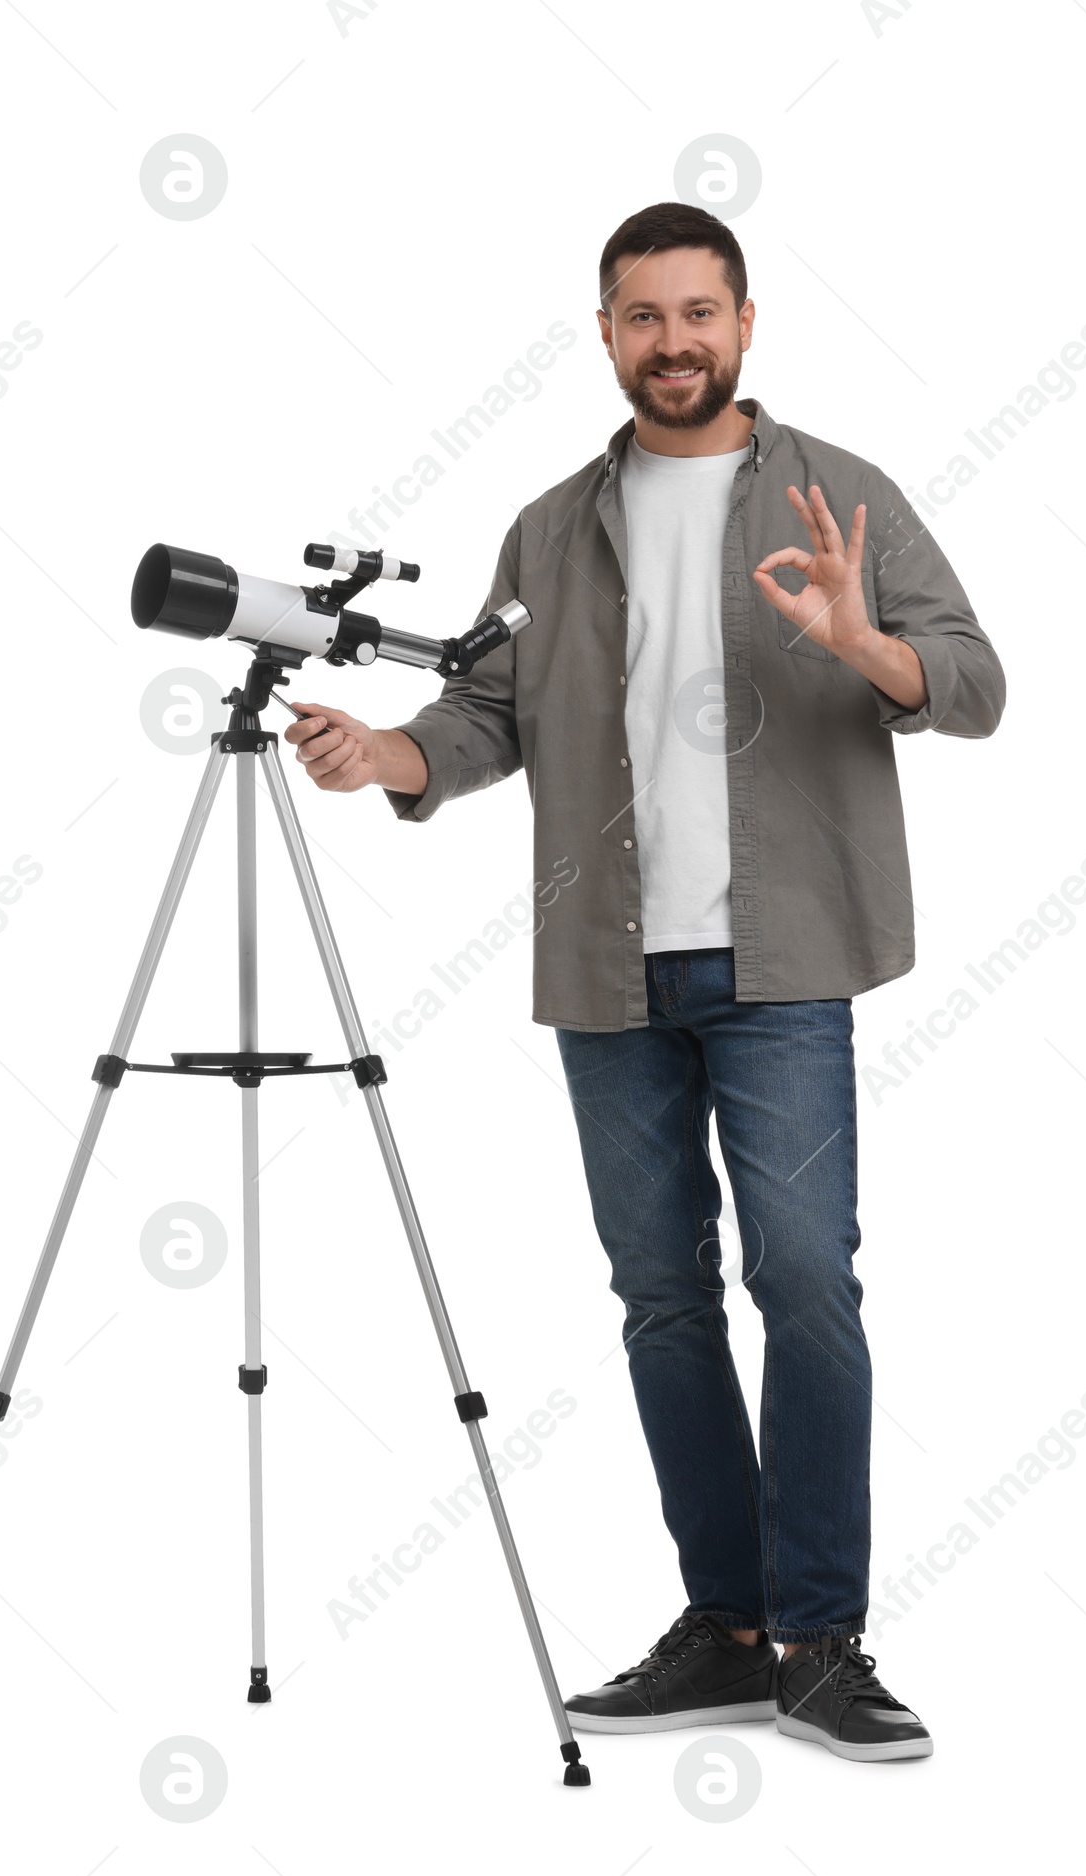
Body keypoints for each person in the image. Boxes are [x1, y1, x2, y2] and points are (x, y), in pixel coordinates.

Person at [282, 201, 1004, 1763]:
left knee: (805, 1281)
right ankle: (727, 1626)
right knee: (663, 1298)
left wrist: (866, 642)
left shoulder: (840, 492)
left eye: (698, 312)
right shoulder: (551, 527)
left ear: (746, 323)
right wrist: (380, 755)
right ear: (604, 334)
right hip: (610, 973)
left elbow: (974, 680)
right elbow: (483, 719)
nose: (671, 341)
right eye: (640, 316)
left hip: (788, 963)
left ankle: (822, 1639)